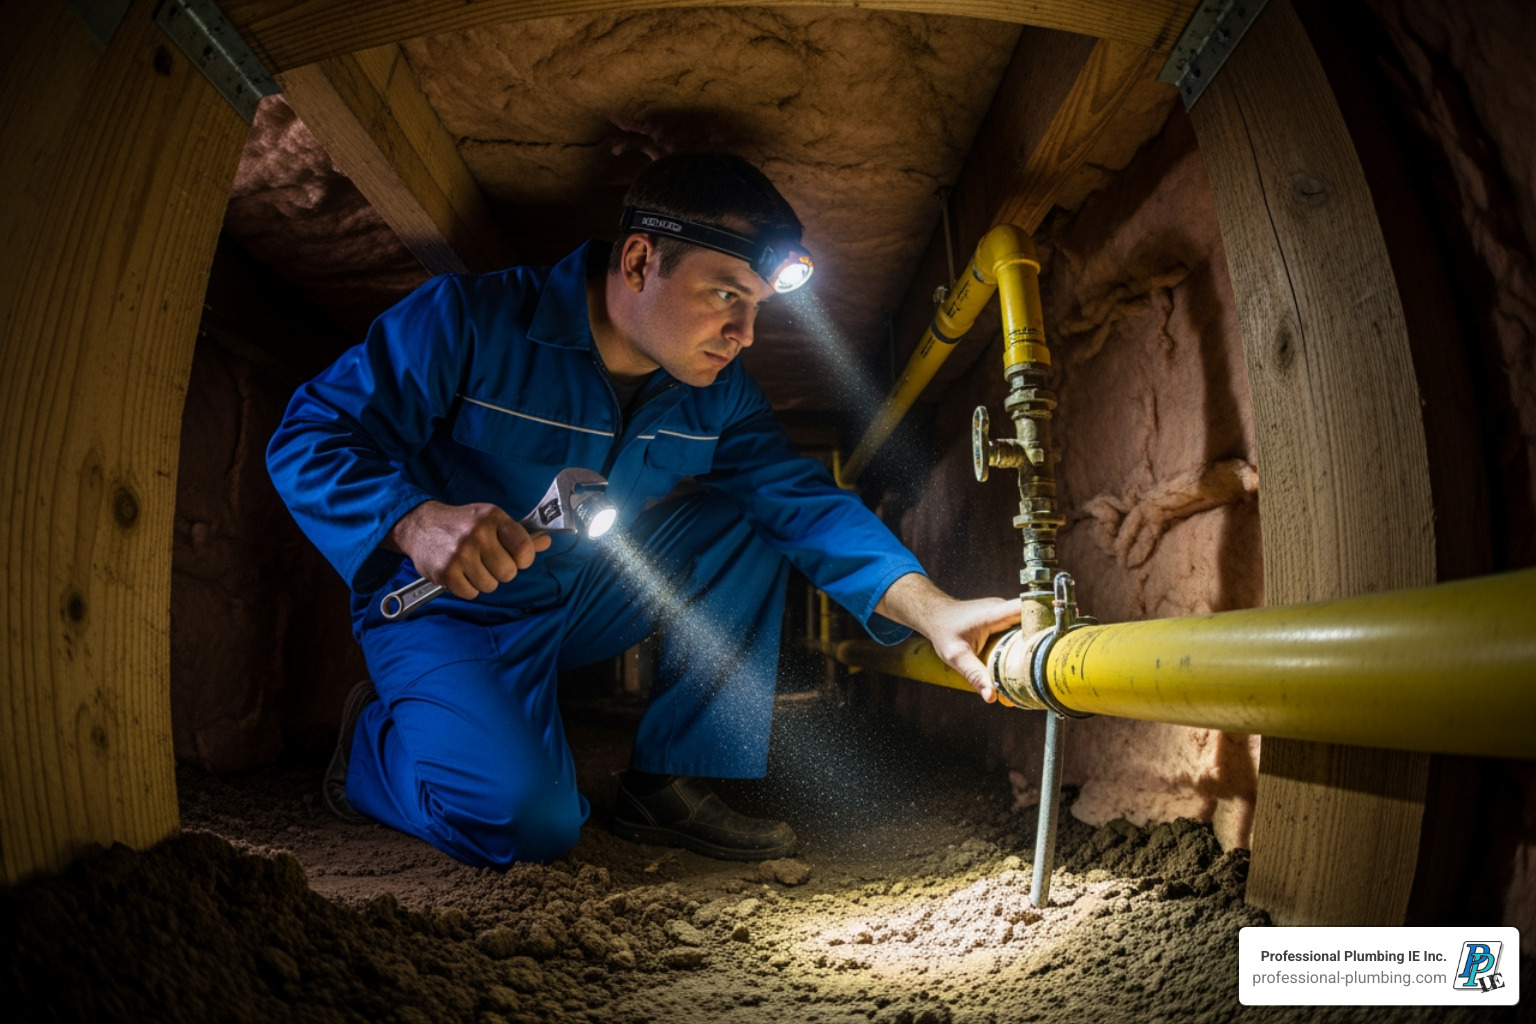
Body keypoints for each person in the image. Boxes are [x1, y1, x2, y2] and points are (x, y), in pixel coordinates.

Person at [267, 152, 1020, 868]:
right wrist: (414, 519)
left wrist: (932, 610)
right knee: (532, 822)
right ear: (637, 263)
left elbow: (800, 503)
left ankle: (668, 782)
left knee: (750, 523)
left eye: (756, 307)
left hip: (583, 596)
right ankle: (374, 746)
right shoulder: (468, 321)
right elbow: (306, 436)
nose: (746, 334)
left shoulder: (717, 392)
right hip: (451, 609)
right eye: (727, 294)